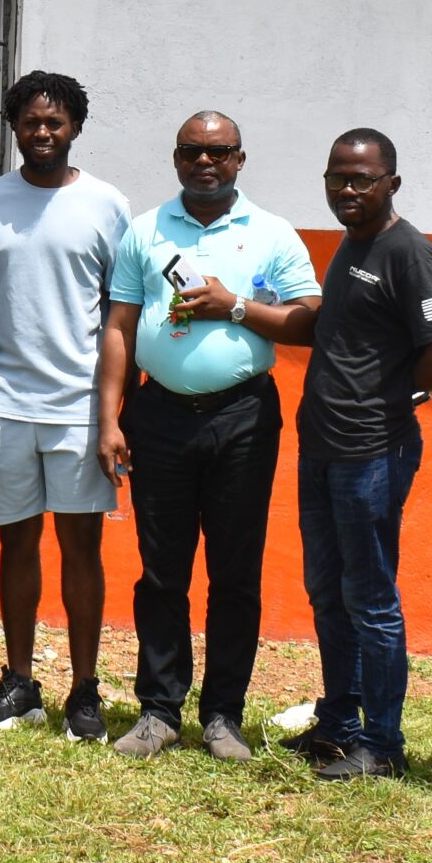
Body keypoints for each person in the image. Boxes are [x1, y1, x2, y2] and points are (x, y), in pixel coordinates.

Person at [97, 110, 322, 762]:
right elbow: (119, 325)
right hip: (159, 416)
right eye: (192, 150)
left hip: (243, 417)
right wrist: (110, 416)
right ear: (176, 158)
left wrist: (236, 307)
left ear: (239, 159)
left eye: (218, 151)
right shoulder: (146, 231)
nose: (205, 161)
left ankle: (224, 714)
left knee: (234, 572)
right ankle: (159, 711)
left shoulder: (272, 233)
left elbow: (309, 321)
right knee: (161, 570)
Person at [290, 130, 432, 781]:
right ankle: (338, 725)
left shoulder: (407, 250)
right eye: (337, 177)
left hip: (372, 450)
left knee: (370, 597)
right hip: (323, 447)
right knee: (328, 592)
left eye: (362, 179)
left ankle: (383, 743)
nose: (347, 189)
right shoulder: (352, 242)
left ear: (392, 182)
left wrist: (396, 395)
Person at [0, 71, 131, 742]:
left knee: (81, 546)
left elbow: (123, 311)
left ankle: (84, 689)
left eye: (55, 122)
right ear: (15, 126)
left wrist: (116, 411)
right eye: (31, 121)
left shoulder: (107, 203)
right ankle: (21, 681)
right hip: (4, 403)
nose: (42, 132)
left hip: (80, 407)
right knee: (16, 543)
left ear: (75, 127)